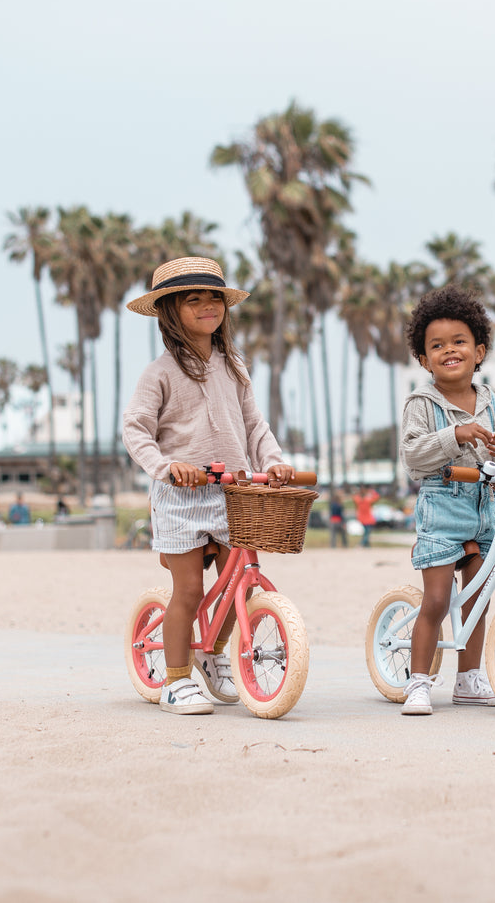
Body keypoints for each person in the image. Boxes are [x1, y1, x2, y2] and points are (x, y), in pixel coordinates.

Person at [122, 256, 294, 716]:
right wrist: (166, 466)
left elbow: (254, 424)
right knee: (190, 591)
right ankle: (176, 682)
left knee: (239, 578)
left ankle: (211, 651)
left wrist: (272, 462)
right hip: (181, 497)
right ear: (169, 312)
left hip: (231, 493)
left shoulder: (233, 366)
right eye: (192, 299)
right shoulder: (159, 373)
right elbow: (136, 429)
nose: (206, 306)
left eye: (213, 297)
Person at [398, 284, 495, 716]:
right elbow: (413, 457)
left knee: (478, 598)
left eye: (459, 342)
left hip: (486, 509)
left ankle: (469, 679)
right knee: (436, 600)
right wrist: (454, 435)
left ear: (479, 351)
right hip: (443, 509)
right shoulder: (421, 404)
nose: (448, 351)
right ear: (423, 359)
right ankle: (418, 681)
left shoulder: (491, 401)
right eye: (436, 346)